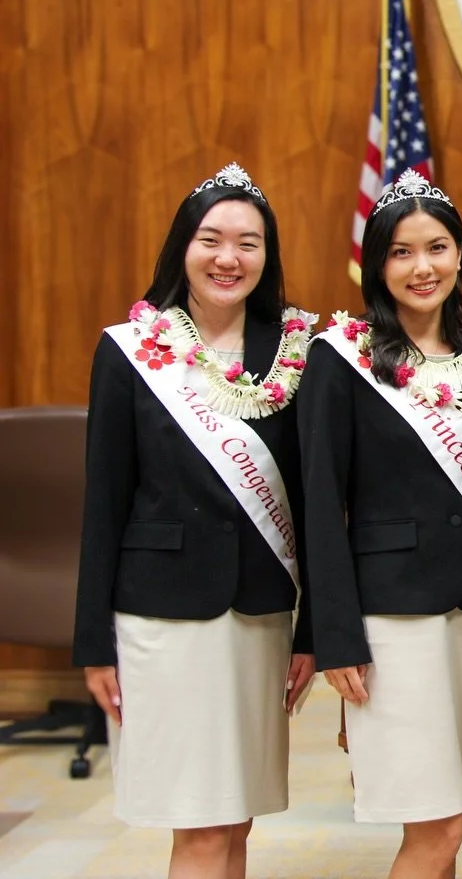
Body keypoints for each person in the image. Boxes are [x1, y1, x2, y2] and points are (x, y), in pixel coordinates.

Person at [75, 162, 316, 878]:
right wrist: (93, 641)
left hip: (260, 618)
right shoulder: (128, 351)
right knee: (201, 829)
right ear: (183, 246)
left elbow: (308, 501)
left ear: (266, 256)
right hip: (164, 617)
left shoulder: (295, 351)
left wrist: (312, 629)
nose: (228, 258)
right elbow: (102, 504)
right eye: (211, 239)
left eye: (248, 242)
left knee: (235, 821)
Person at [300, 169, 462, 879]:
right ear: (377, 263)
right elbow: (320, 508)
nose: (423, 267)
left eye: (438, 247)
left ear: (460, 255)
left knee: (452, 819)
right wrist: (334, 636)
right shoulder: (340, 358)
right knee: (437, 827)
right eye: (402, 251)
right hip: (391, 621)